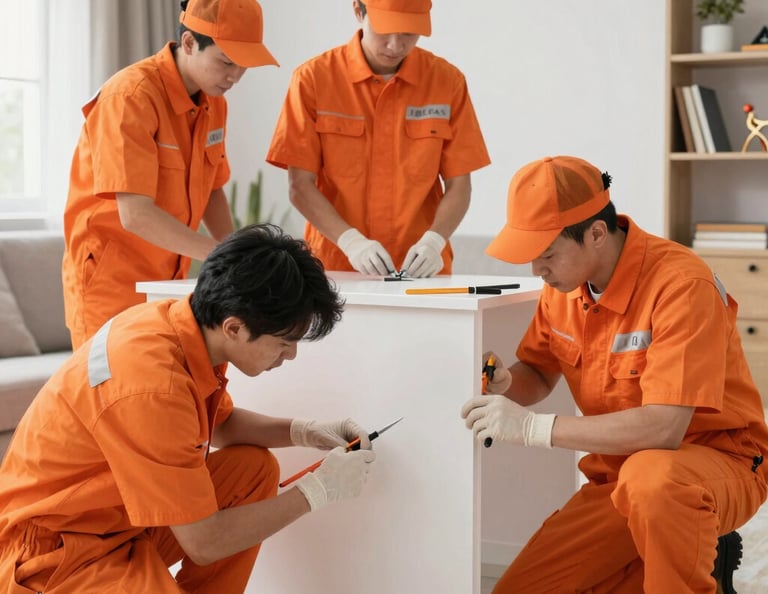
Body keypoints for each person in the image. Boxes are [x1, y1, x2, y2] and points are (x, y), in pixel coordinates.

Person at [0, 224, 376, 593]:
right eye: (283, 342)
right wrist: (317, 491)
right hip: (54, 551)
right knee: (213, 527)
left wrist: (304, 431)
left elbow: (223, 425)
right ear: (234, 328)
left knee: (252, 470)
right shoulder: (152, 382)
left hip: (118, 519)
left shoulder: (184, 327)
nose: (290, 355)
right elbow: (205, 542)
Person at [460, 155, 768, 593]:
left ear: (597, 234)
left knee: (654, 482)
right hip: (620, 479)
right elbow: (540, 372)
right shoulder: (563, 289)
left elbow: (663, 428)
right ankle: (695, 555)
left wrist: (534, 428)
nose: (536, 270)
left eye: (546, 254)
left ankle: (688, 544)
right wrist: (509, 383)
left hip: (715, 462)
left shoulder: (681, 285)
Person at [62, 0, 279, 349]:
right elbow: (136, 215)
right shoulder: (130, 97)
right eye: (226, 62)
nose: (235, 77)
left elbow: (212, 190)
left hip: (168, 285)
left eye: (244, 66)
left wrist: (239, 254)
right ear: (190, 43)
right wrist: (223, 258)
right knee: (113, 397)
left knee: (159, 394)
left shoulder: (213, 103)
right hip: (110, 286)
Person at [266, 0, 490, 278]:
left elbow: (460, 186)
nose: (395, 46)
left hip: (422, 271)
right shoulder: (313, 80)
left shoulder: (447, 82)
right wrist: (351, 241)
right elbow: (300, 186)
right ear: (359, 12)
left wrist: (434, 241)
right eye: (384, 31)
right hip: (335, 268)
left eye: (409, 33)